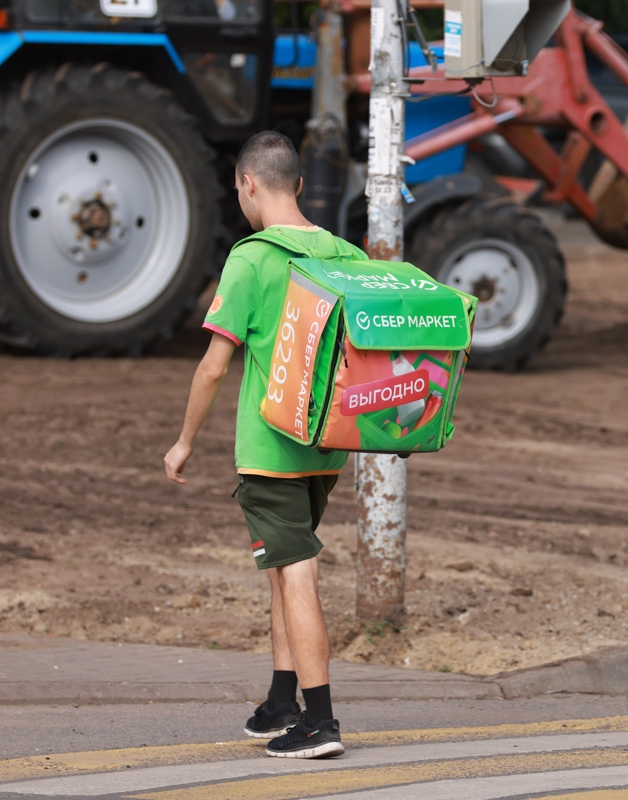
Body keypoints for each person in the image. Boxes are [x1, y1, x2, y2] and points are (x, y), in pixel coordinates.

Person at [164, 131, 365, 759]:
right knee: (284, 567)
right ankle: (283, 699)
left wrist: (184, 441)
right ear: (299, 186)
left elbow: (214, 366)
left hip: (270, 452)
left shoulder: (250, 258)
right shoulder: (344, 254)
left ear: (248, 184)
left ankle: (321, 719)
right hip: (327, 447)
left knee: (297, 572)